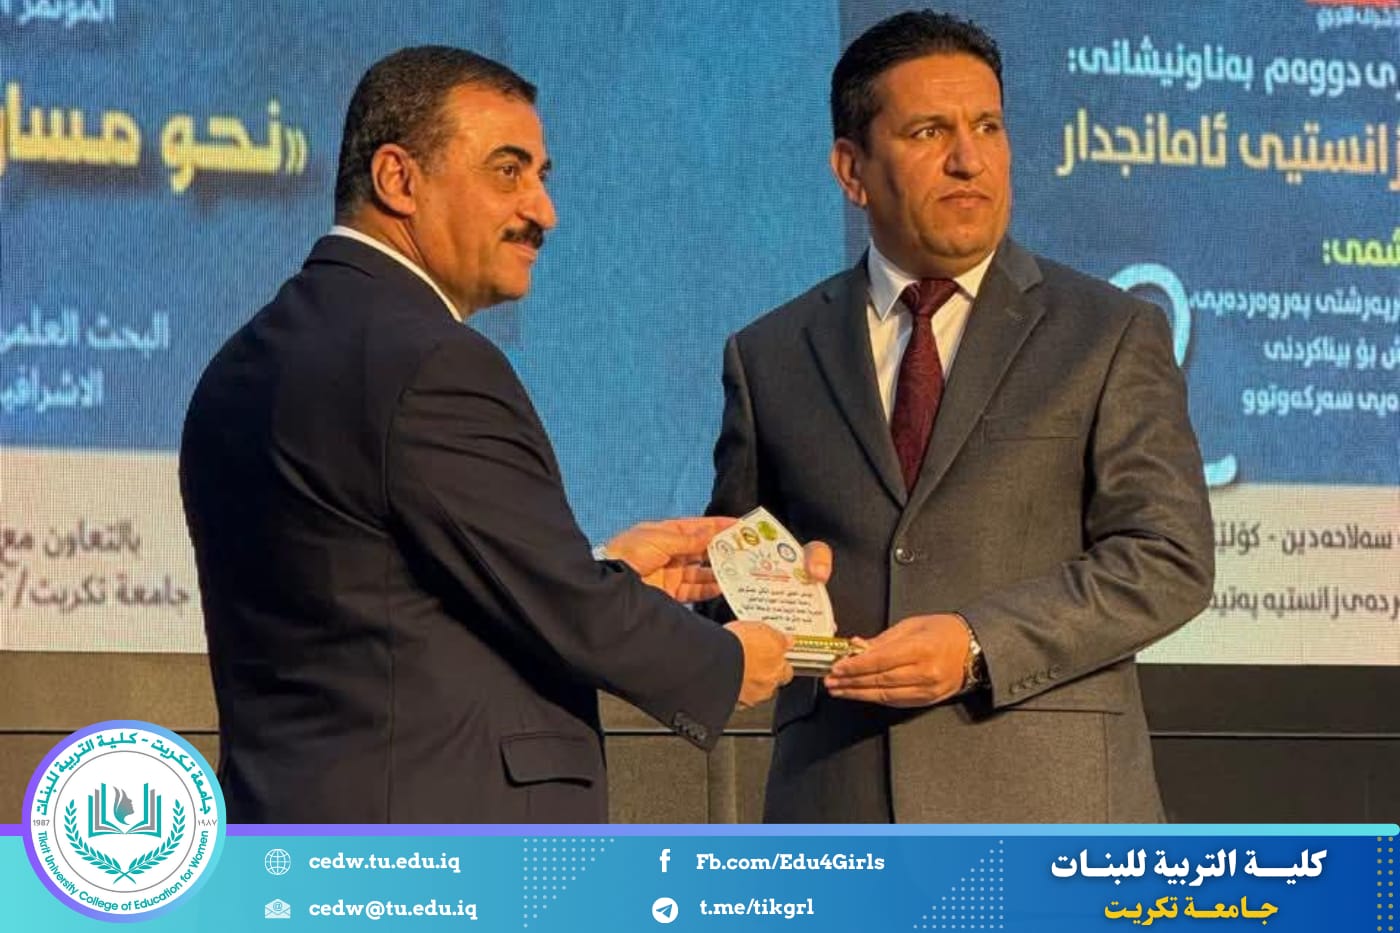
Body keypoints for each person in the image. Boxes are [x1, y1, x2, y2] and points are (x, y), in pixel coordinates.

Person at [179, 46, 804, 823]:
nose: (543, 211)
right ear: (398, 179)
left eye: (541, 176)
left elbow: (383, 589)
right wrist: (729, 659)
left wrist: (604, 572)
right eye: (508, 171)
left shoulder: (239, 365)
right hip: (439, 851)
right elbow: (565, 607)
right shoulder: (431, 361)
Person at [706, 11, 1213, 822]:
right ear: (852, 169)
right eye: (929, 131)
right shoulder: (769, 354)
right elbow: (729, 574)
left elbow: (1167, 558)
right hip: (837, 809)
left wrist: (978, 642)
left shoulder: (1110, 333)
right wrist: (756, 593)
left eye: (987, 127)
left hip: (1052, 813)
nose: (969, 159)